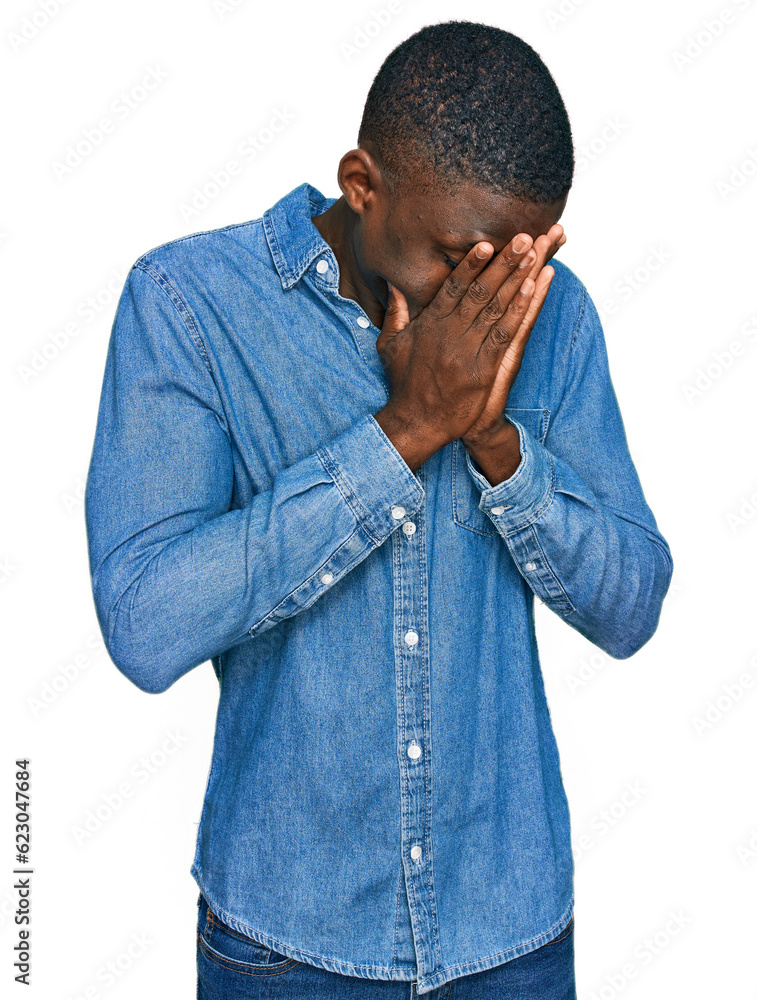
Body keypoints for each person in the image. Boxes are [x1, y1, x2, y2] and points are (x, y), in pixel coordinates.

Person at [84, 19, 673, 1000]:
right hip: (286, 945)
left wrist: (493, 443)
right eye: (458, 256)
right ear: (363, 185)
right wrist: (403, 431)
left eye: (517, 261)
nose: (489, 294)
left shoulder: (552, 313)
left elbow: (631, 606)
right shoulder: (187, 303)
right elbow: (147, 622)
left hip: (509, 938)